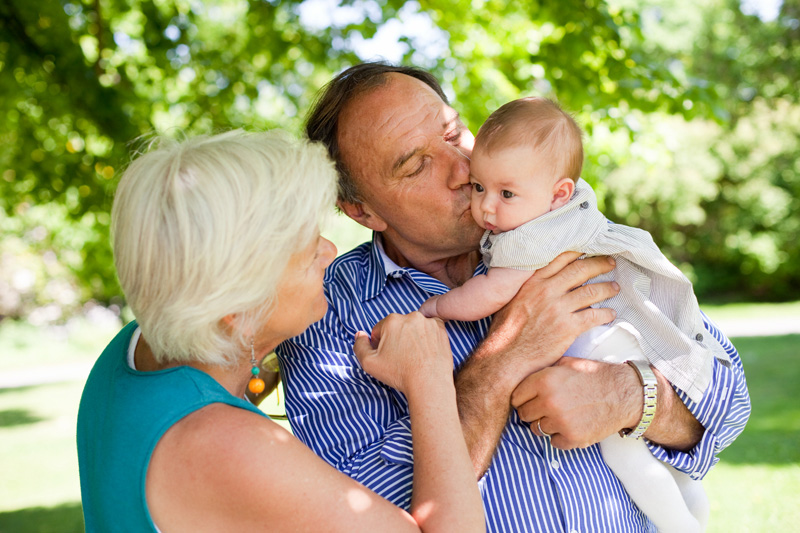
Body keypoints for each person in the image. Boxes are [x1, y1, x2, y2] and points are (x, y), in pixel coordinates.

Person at [276, 62, 751, 532]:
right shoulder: (322, 313)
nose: (463, 169)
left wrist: (630, 395)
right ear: (362, 210)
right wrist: (504, 358)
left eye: (454, 134)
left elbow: (728, 402)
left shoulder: (557, 228)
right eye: (418, 164)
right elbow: (372, 511)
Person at [76, 130, 485, 532]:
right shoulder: (225, 447)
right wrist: (429, 378)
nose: (330, 251)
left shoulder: (134, 347)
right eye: (308, 252)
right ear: (239, 307)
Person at [419, 96, 726, 532]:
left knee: (626, 457)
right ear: (361, 210)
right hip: (617, 339)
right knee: (640, 456)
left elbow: (488, 293)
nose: (486, 206)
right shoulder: (563, 213)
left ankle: (682, 524)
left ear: (559, 192)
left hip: (603, 351)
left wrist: (434, 308)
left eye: (505, 193)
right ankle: (690, 498)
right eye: (479, 188)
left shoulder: (528, 238)